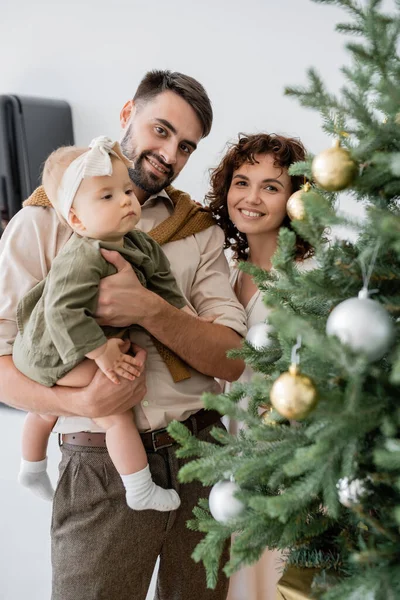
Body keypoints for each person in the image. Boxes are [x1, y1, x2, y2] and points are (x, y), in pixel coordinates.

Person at [0, 70, 247, 600]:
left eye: (185, 147)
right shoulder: (43, 223)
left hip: (202, 452)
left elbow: (231, 359)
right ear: (126, 116)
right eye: (161, 131)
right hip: (99, 465)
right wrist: (84, 397)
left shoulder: (195, 229)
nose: (169, 153)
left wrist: (150, 308)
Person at [15, 135, 191, 513]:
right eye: (107, 197)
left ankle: (31, 467)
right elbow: (61, 312)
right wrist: (102, 352)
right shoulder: (82, 256)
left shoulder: (139, 243)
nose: (126, 200)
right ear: (76, 219)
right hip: (51, 349)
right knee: (116, 410)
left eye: (126, 189)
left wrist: (175, 318)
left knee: (45, 412)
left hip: (67, 341)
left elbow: (163, 286)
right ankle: (139, 487)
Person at [207, 132, 314, 600]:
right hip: (219, 472)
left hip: (283, 475)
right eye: (241, 181)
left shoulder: (312, 282)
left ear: (295, 199)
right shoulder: (221, 274)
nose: (250, 198)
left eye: (271, 187)